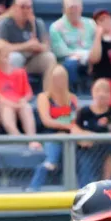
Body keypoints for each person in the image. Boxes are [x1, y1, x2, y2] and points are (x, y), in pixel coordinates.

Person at [30, 64, 80, 192]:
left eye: (62, 78)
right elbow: (46, 121)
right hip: (50, 134)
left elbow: (78, 120)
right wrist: (67, 126)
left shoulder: (72, 98)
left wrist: (72, 129)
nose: (60, 81)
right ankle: (34, 186)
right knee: (54, 152)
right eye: (56, 78)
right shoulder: (44, 97)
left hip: (72, 136)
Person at [73, 78, 111, 187]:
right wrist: (88, 136)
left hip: (107, 148)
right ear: (92, 93)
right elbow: (75, 129)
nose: (102, 94)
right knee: (86, 172)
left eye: (105, 91)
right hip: (87, 148)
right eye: (98, 91)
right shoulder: (84, 112)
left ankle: (107, 184)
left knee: (108, 148)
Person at [0, 0, 57, 77]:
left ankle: (49, 89)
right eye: (22, 7)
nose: (26, 10)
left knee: (49, 57)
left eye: (28, 7)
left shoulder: (37, 23)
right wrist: (26, 46)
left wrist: (39, 47)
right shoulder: (5, 24)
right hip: (12, 61)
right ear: (14, 8)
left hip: (32, 60)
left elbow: (46, 46)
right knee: (16, 58)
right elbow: (0, 48)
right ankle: (14, 89)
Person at [0, 43, 39, 142]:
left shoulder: (20, 72)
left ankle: (32, 138)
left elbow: (28, 92)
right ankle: (17, 137)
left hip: (18, 101)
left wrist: (23, 100)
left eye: (7, 55)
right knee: (6, 109)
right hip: (4, 103)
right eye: (3, 55)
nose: (6, 58)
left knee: (26, 107)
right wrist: (12, 105)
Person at [50, 0, 97, 89]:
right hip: (67, 59)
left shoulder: (91, 24)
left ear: (81, 8)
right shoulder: (56, 27)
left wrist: (89, 56)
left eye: (76, 7)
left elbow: (96, 44)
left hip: (90, 57)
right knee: (70, 63)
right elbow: (61, 52)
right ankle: (73, 90)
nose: (74, 11)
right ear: (64, 9)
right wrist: (83, 55)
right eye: (71, 8)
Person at [88, 9, 111, 89]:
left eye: (108, 18)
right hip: (102, 80)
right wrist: (98, 35)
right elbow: (94, 59)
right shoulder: (94, 39)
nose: (106, 22)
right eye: (101, 20)